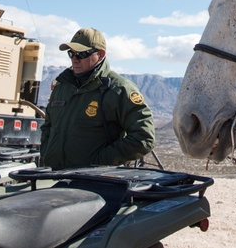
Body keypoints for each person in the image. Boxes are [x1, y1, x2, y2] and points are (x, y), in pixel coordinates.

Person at [39, 27, 156, 169]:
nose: (75, 59)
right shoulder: (62, 86)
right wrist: (46, 153)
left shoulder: (118, 89)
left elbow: (144, 138)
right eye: (71, 54)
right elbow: (48, 127)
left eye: (81, 54)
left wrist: (100, 162)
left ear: (100, 54)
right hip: (54, 175)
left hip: (95, 182)